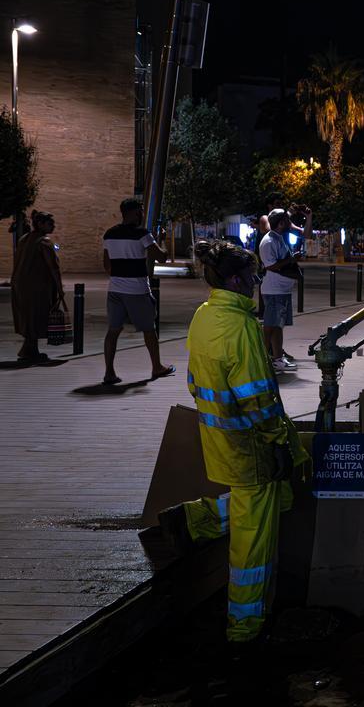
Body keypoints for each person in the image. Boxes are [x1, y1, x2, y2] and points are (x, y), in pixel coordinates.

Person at [158, 239, 309, 645]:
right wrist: (278, 441)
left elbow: (195, 381)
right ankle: (245, 627)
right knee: (253, 542)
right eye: (255, 274)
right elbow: (257, 398)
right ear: (239, 279)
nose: (258, 280)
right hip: (250, 444)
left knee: (280, 498)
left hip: (218, 436)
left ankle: (195, 520)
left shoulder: (205, 315)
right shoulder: (241, 327)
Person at [102, 198, 173, 385]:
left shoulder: (109, 234)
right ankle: (157, 367)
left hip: (115, 289)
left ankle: (109, 372)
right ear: (133, 212)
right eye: (140, 211)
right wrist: (162, 240)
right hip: (137, 290)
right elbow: (162, 257)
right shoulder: (142, 234)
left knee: (113, 331)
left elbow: (107, 265)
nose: (142, 214)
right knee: (149, 330)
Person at [10, 210, 64, 363]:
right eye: (50, 223)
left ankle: (27, 350)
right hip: (37, 287)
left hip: (20, 285)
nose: (53, 226)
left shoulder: (24, 239)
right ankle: (31, 351)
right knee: (36, 317)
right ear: (40, 224)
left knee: (27, 317)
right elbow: (53, 267)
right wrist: (59, 288)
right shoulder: (44, 242)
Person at [258, 209, 302, 372]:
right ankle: (261, 359)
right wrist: (291, 259)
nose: (291, 225)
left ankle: (277, 359)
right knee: (270, 325)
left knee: (278, 326)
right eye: (288, 221)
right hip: (274, 290)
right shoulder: (269, 241)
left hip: (282, 290)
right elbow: (270, 265)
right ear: (282, 223)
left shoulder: (278, 239)